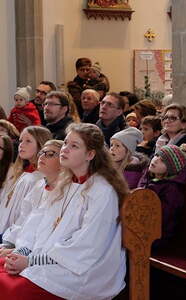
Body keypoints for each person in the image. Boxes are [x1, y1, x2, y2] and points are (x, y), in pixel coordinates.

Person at [0, 123, 128, 299]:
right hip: (52, 261)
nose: (64, 149)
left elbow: (86, 247)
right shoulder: (67, 185)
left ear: (90, 154)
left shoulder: (102, 191)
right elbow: (41, 227)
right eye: (66, 143)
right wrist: (23, 253)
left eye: (74, 146)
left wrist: (31, 261)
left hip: (84, 273)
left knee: (14, 288)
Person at [0, 140, 63, 256]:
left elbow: (44, 233)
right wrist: (7, 244)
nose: (42, 157)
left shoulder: (64, 192)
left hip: (37, 256)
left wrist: (19, 251)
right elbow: (24, 220)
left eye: (50, 154)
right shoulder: (39, 186)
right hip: (19, 247)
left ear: (63, 161)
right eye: (42, 153)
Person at [0, 126, 52, 242]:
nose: (21, 144)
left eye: (28, 141)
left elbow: (26, 214)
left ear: (41, 145)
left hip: (14, 237)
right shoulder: (23, 173)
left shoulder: (38, 178)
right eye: (21, 140)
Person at [138, 144, 186, 248]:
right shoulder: (147, 177)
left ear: (170, 169)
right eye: (156, 155)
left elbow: (162, 216)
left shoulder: (173, 189)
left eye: (162, 160)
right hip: (141, 228)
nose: (155, 160)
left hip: (159, 236)